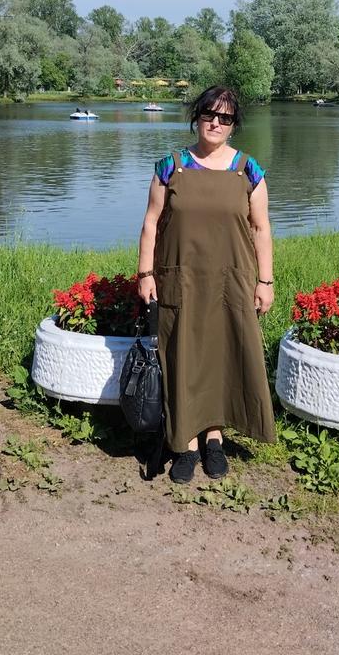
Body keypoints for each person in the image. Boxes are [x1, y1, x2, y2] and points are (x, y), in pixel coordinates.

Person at [136, 85, 276, 484]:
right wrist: (145, 273)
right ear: (196, 117)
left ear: (233, 125)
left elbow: (261, 229)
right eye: (209, 114)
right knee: (183, 355)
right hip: (179, 278)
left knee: (221, 355)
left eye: (225, 117)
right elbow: (151, 224)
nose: (216, 123)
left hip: (231, 280)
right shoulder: (170, 166)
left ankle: (214, 438)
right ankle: (185, 443)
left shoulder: (249, 170)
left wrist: (265, 281)